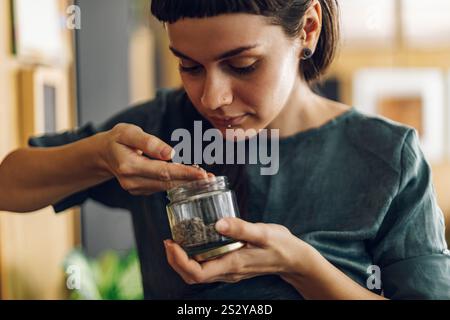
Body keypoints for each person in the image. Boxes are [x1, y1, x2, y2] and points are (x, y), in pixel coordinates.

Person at [1, 0, 449, 300]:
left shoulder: (387, 157)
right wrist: (97, 156)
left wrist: (302, 267)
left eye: (242, 65)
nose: (212, 97)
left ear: (307, 29)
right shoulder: (164, 127)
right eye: (189, 66)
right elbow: (9, 186)